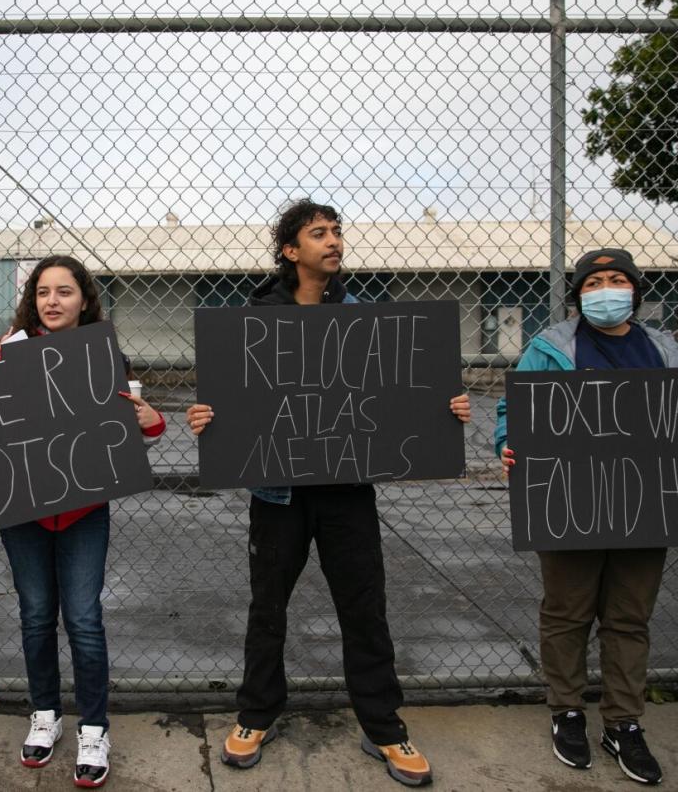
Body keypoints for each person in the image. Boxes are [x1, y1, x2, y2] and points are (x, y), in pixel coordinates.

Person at [186, 199, 472, 788]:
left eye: (338, 231)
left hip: (347, 490)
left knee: (364, 609)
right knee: (268, 608)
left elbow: (399, 397)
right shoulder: (255, 316)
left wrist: (444, 410)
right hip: (278, 493)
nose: (334, 241)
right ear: (291, 250)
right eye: (319, 233)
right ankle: (256, 714)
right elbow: (234, 402)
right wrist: (204, 417)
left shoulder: (364, 317)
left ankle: (384, 726)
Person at [0, 255, 166, 789]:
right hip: (22, 511)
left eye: (64, 291)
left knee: (83, 619)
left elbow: (132, 428)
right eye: (42, 292)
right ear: (32, 300)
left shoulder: (105, 354)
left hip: (83, 513)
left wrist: (154, 423)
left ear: (85, 298)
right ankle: (44, 715)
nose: (52, 301)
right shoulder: (7, 352)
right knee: (36, 615)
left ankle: (94, 727)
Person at [495, 248, 678, 786]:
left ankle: (623, 722)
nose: (606, 288)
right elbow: (515, 410)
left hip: (649, 505)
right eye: (594, 281)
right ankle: (567, 711)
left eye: (617, 279)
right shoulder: (551, 347)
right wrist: (509, 445)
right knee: (567, 612)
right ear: (578, 293)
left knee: (629, 617)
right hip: (569, 503)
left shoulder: (665, 350)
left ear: (635, 289)